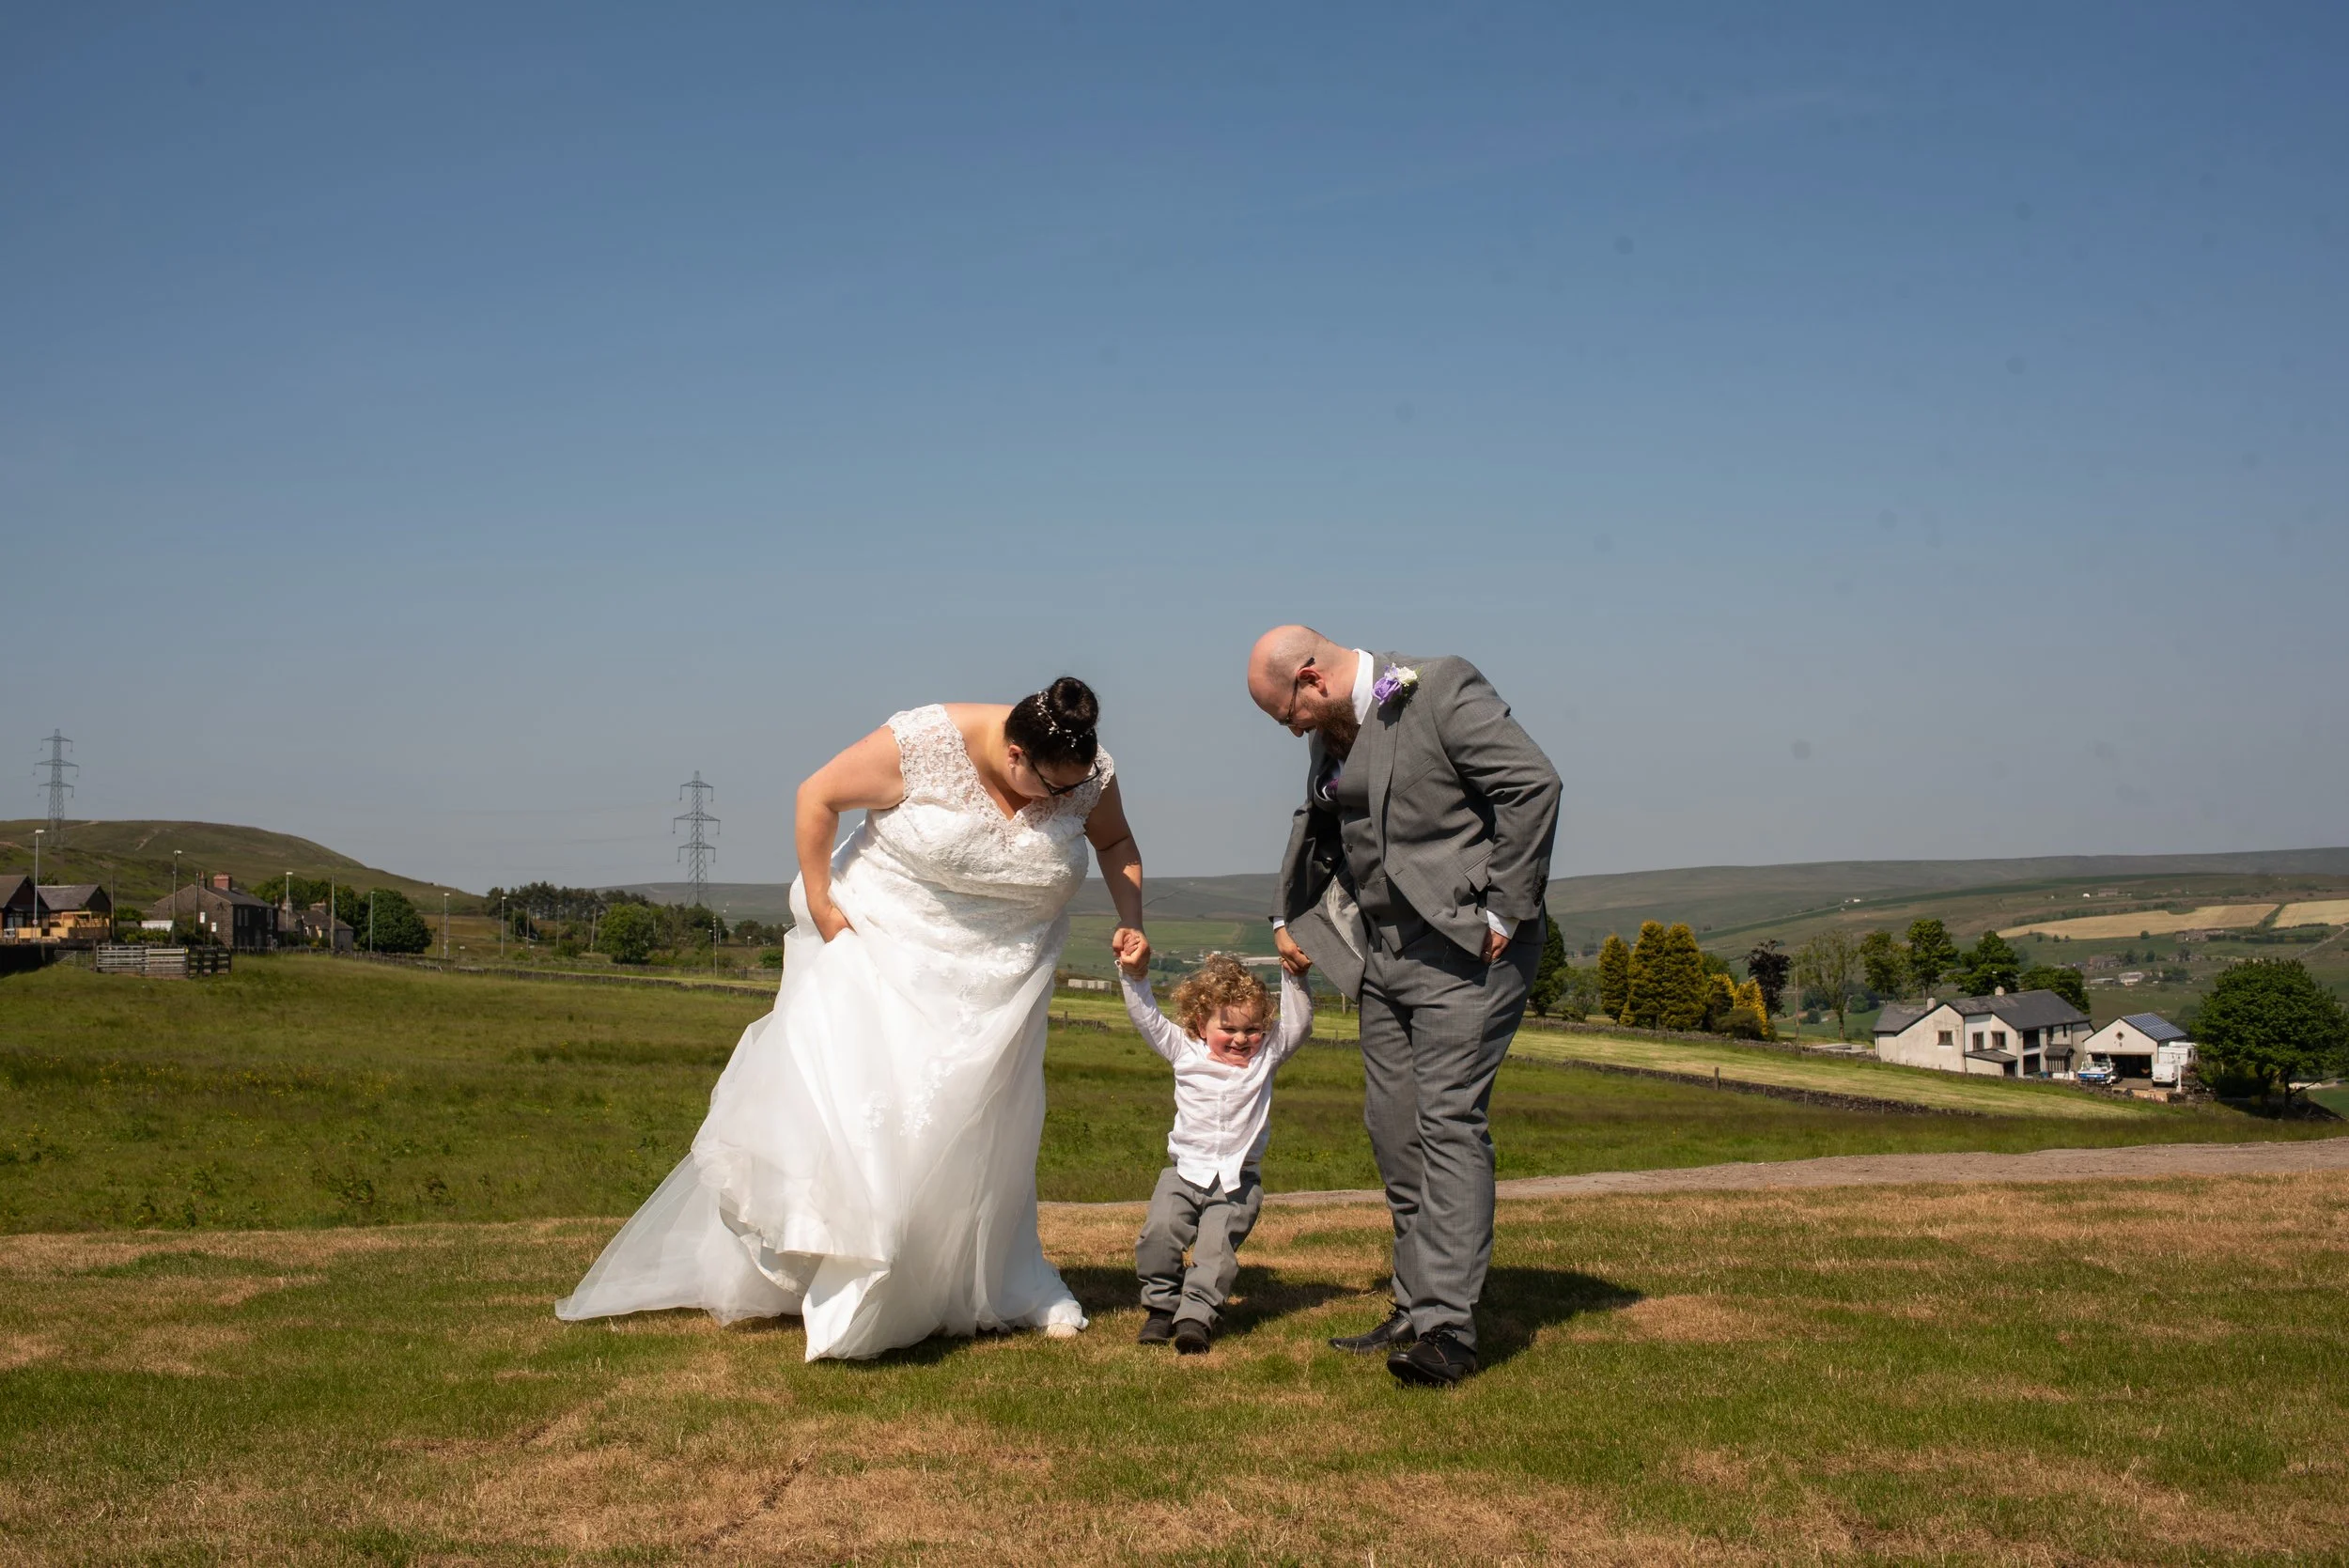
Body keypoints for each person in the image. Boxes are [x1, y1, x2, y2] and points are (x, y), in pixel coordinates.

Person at [556, 677, 1152, 1360]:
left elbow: (1116, 842)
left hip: (1001, 986)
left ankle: (986, 1279)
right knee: (881, 1122)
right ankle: (863, 1280)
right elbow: (818, 794)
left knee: (981, 1134)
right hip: (879, 950)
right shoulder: (926, 741)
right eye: (1050, 786)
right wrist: (819, 901)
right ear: (1015, 751)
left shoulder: (1085, 771)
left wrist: (1131, 919)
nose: (1059, 800)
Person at [1246, 627, 1560, 1388]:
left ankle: (1449, 1329)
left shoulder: (1440, 687)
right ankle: (1414, 1302)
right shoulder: (1335, 727)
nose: (1291, 730)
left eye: (1286, 714)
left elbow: (1533, 784)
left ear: (1311, 679)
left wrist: (1505, 909)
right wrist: (1297, 916)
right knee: (1393, 1129)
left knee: (1448, 1120)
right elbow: (1329, 824)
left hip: (1467, 950)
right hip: (1383, 957)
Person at [1116, 951, 1314, 1355]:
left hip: (1238, 1182)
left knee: (1215, 1251)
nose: (1241, 1038)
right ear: (1200, 1024)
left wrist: (1294, 977)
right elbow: (1147, 1018)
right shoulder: (1183, 1051)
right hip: (1183, 1174)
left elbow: (1299, 1025)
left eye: (1253, 1029)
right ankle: (1160, 1307)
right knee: (1157, 1236)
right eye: (1229, 1028)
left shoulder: (1266, 1058)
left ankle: (1195, 1320)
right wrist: (1133, 977)